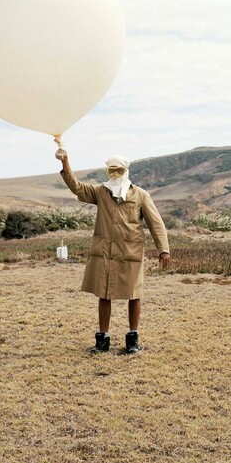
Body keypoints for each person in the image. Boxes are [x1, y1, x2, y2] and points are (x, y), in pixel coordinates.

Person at [56, 147, 170, 354]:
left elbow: (156, 223)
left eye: (118, 171)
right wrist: (65, 163)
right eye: (111, 171)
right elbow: (77, 187)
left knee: (134, 295)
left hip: (130, 253)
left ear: (126, 171)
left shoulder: (141, 195)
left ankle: (132, 340)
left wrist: (164, 250)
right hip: (105, 253)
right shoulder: (100, 192)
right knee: (104, 294)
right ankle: (103, 340)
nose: (115, 175)